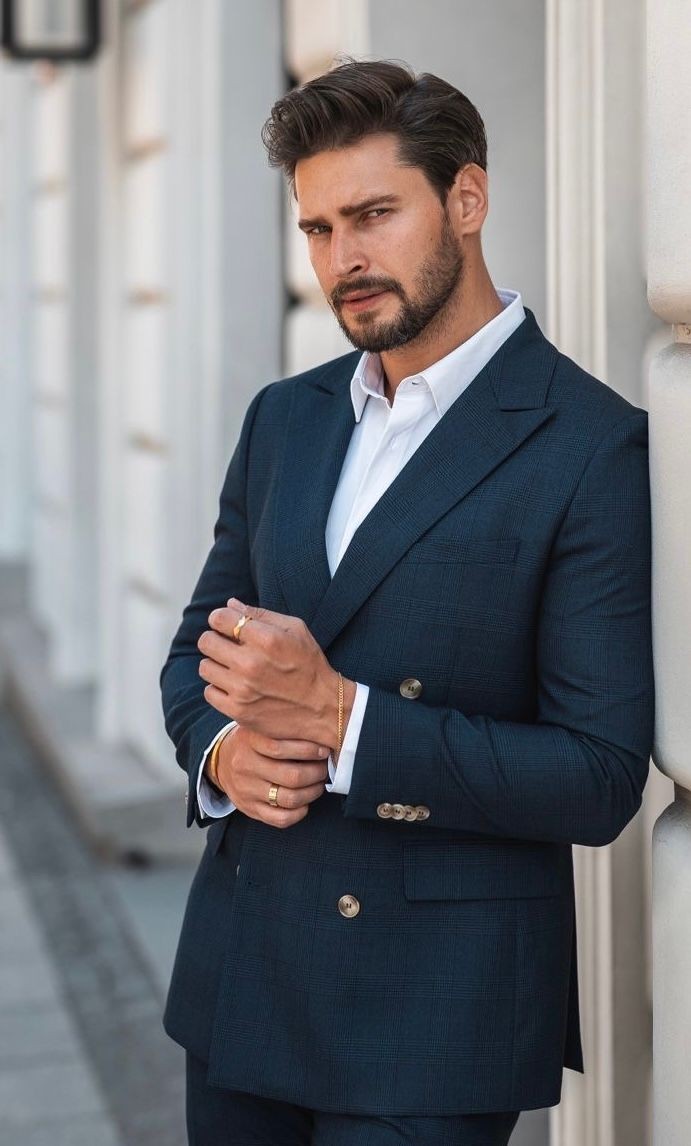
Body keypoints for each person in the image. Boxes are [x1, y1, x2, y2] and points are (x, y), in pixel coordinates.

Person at [160, 59, 655, 1146]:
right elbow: (199, 646)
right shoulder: (284, 420)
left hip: (432, 1020)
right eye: (319, 229)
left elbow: (598, 776)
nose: (345, 259)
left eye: (374, 214)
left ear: (465, 200)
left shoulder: (585, 442)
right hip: (243, 976)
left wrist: (347, 721)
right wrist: (219, 758)